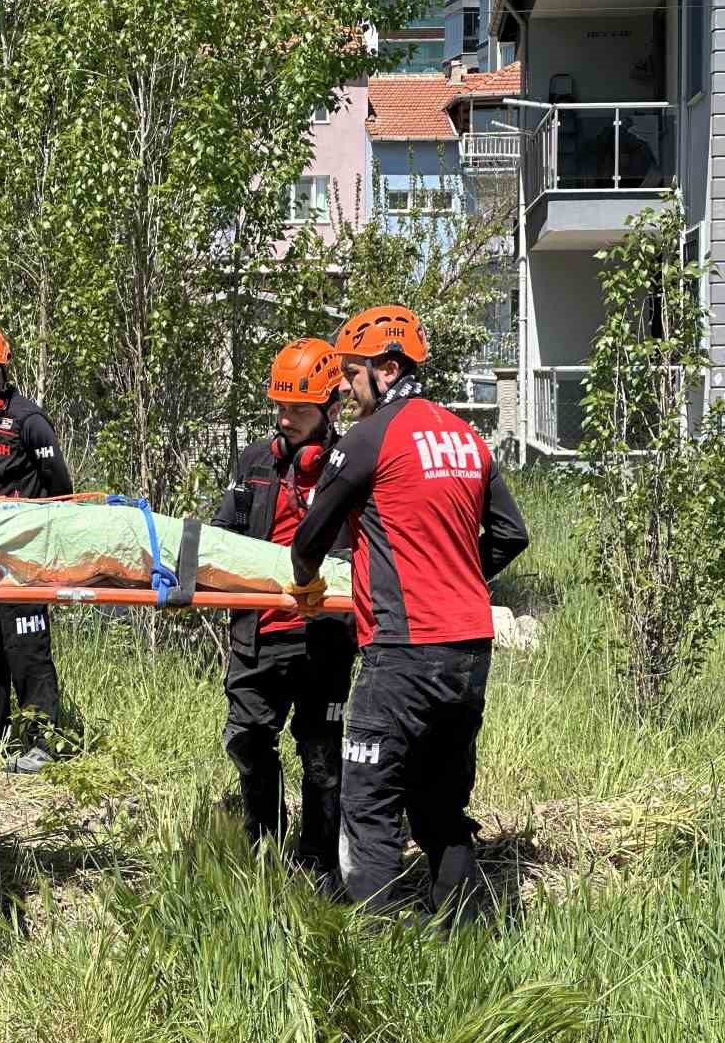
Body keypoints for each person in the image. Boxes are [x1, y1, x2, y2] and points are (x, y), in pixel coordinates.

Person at [289, 305, 530, 918]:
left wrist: (307, 584)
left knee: (367, 803)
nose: (343, 386)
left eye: (350, 373)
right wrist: (459, 575)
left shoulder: (371, 438)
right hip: (470, 652)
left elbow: (310, 534)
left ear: (387, 369)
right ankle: (463, 939)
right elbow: (508, 534)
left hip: (402, 653)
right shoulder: (467, 437)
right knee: (439, 808)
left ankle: (370, 954)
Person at [211, 338, 356, 884]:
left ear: (330, 409)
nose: (286, 419)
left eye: (298, 409)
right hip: (257, 634)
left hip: (325, 639)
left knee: (321, 756)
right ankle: (264, 849)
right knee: (247, 740)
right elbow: (224, 532)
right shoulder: (254, 461)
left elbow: (367, 550)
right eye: (280, 406)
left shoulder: (352, 467)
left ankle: (320, 862)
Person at [0, 324, 73, 774]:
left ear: (3, 370)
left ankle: (44, 741)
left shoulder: (29, 420)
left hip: (22, 560)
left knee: (27, 648)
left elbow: (60, 490)